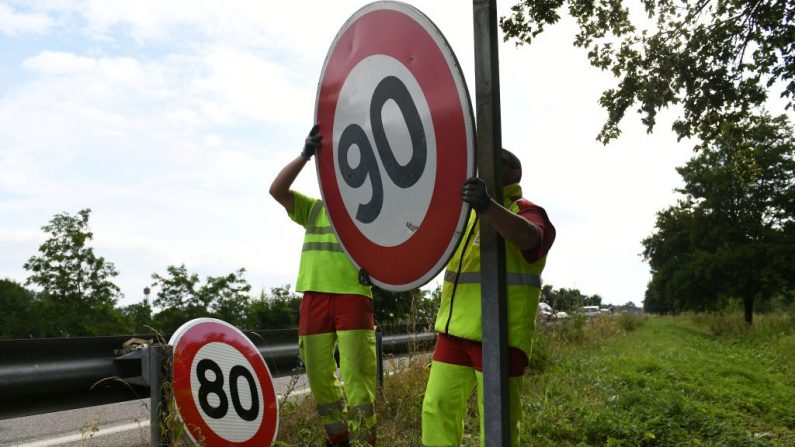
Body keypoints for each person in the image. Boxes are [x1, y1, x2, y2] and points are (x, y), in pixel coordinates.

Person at [421, 149, 556, 447]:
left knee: (498, 424)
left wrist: (487, 206)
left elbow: (530, 238)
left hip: (500, 336)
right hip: (453, 331)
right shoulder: (466, 218)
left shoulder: (527, 211)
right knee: (436, 409)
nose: (480, 167)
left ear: (512, 172)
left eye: (491, 161)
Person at [269, 125, 377, 447]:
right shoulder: (314, 208)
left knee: (358, 381)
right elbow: (277, 190)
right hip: (314, 297)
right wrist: (304, 155)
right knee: (320, 380)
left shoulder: (369, 213)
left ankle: (363, 442)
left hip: (354, 298)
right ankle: (339, 440)